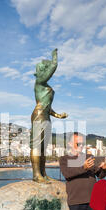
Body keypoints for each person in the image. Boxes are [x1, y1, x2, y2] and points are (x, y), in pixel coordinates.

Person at [30, 48, 67, 183]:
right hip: (39, 115)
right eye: (43, 69)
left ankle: (43, 173)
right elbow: (51, 70)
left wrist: (57, 115)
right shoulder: (39, 82)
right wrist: (54, 60)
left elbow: (48, 106)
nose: (45, 71)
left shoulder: (44, 86)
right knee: (37, 146)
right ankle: (36, 175)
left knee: (43, 147)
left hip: (46, 115)